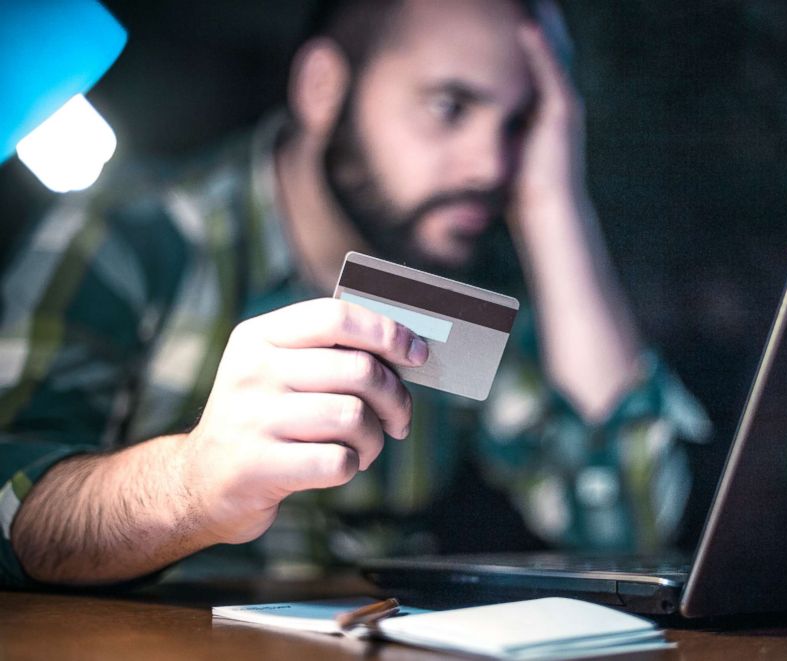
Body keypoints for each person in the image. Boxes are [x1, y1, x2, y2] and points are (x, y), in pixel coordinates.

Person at [0, 0, 709, 587]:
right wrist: (192, 481)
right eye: (450, 105)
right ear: (322, 89)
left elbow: (627, 521)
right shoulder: (131, 238)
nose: (491, 165)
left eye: (518, 125)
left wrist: (556, 203)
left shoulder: (461, 275)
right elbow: (10, 504)